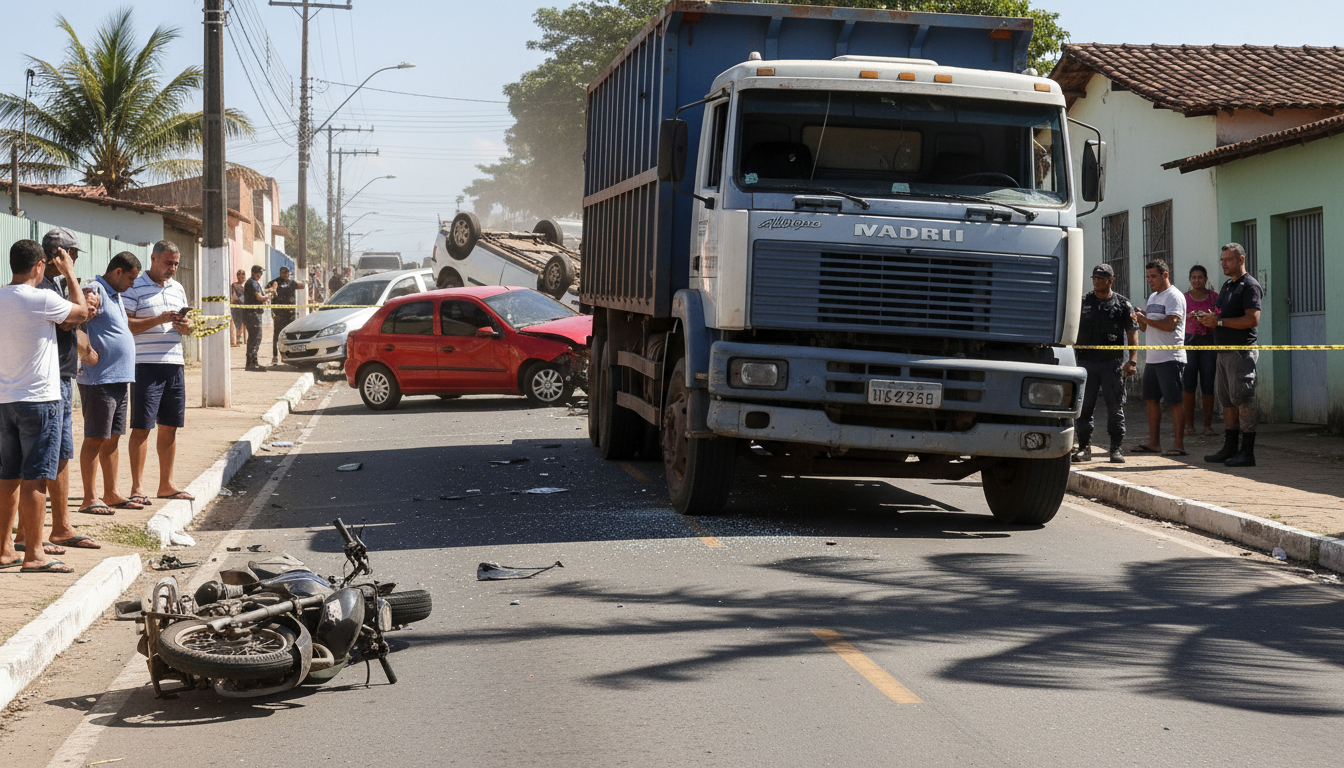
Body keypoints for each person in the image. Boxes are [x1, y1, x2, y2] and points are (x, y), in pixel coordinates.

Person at [0, 238, 91, 573]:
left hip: (5, 400)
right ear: (40, 266)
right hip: (39, 400)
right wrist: (70, 274)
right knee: (36, 477)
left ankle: (4, 549)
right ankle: (34, 554)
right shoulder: (42, 298)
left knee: (7, 477)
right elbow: (81, 312)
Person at [15, 229, 106, 557]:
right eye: (72, 255)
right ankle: (32, 533)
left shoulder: (52, 286)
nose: (75, 260)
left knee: (59, 454)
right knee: (43, 459)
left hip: (60, 378)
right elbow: (69, 321)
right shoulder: (41, 286)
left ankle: (58, 526)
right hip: (46, 383)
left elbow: (72, 324)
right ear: (57, 255)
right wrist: (76, 293)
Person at [124, 240, 196, 504]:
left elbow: (189, 327)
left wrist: (185, 325)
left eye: (176, 264)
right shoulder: (134, 286)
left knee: (170, 426)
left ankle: (166, 484)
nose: (172, 269)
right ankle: (137, 488)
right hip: (145, 366)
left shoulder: (178, 288)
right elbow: (126, 325)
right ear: (153, 258)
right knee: (142, 427)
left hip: (174, 364)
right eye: (168, 263)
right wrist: (159, 319)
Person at [75, 251, 143, 517]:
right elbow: (79, 317)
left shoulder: (115, 295)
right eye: (131, 278)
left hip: (119, 377)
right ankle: (89, 498)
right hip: (99, 379)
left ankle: (111, 492)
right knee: (95, 437)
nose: (132, 284)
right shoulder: (96, 290)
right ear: (118, 272)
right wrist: (85, 350)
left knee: (113, 438)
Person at [1198, 243, 1262, 467]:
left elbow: (1252, 319)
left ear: (1241, 260)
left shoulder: (1250, 286)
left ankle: (1247, 452)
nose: (1223, 264)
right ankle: (1230, 448)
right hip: (1223, 352)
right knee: (1227, 402)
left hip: (1240, 351)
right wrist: (1208, 318)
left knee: (1244, 400)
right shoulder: (1227, 285)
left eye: (1228, 259)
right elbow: (1220, 315)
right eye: (1222, 260)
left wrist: (1220, 322)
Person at [1072, 263, 1138, 463]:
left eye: (1101, 278)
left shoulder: (1123, 304)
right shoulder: (1082, 302)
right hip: (1086, 363)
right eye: (1094, 278)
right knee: (1084, 408)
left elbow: (1132, 334)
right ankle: (1084, 448)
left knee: (1115, 408)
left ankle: (1116, 449)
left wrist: (1132, 361)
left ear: (1111, 280)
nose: (1096, 282)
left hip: (1112, 363)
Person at [1131, 259, 1188, 456]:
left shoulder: (1174, 296)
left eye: (1153, 276)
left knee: (1175, 401)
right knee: (1150, 399)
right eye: (1147, 277)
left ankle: (1178, 444)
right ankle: (1154, 443)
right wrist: (1140, 318)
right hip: (1153, 358)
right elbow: (1146, 327)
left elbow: (1171, 325)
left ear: (1165, 275)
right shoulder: (1153, 297)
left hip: (1170, 357)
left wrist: (1145, 319)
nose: (1150, 280)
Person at [1182, 264, 1219, 437]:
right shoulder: (1183, 298)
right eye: (1193, 277)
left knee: (1208, 385)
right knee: (1188, 385)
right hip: (1189, 343)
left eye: (1200, 277)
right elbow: (1176, 319)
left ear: (1206, 279)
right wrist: (1188, 317)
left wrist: (1211, 317)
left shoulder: (1214, 297)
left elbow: (1220, 314)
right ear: (1190, 280)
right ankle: (1189, 426)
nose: (1197, 280)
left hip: (1209, 344)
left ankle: (1207, 426)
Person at [266, 266, 304, 365]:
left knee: (291, 335)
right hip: (279, 313)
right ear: (280, 273)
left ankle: (291, 355)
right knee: (277, 335)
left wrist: (301, 280)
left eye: (287, 272)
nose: (285, 274)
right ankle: (275, 356)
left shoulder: (292, 282)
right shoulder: (275, 282)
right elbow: (265, 289)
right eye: (283, 272)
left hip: (290, 313)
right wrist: (272, 289)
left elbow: (302, 286)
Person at [242, 265, 268, 371]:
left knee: (253, 338)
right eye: (260, 273)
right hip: (254, 314)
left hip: (250, 314)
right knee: (256, 338)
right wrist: (268, 297)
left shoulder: (251, 283)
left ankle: (251, 363)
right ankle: (252, 363)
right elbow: (259, 297)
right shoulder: (253, 283)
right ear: (256, 273)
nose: (261, 275)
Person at [230, 269, 247, 347]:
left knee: (245, 323)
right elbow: (233, 297)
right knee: (238, 323)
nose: (242, 276)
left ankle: (243, 339)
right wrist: (240, 301)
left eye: (243, 274)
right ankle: (237, 340)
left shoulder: (247, 285)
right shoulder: (234, 286)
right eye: (240, 275)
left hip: (245, 307)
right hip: (237, 307)